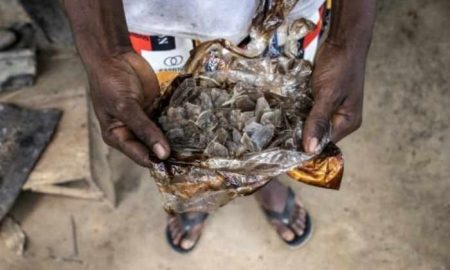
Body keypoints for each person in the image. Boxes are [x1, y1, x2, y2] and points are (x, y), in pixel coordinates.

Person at [63, 0, 375, 253]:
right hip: (152, 20)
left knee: (278, 128)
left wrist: (348, 38)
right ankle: (196, 196)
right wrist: (105, 48)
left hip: (282, 12)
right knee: (166, 131)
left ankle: (263, 184)